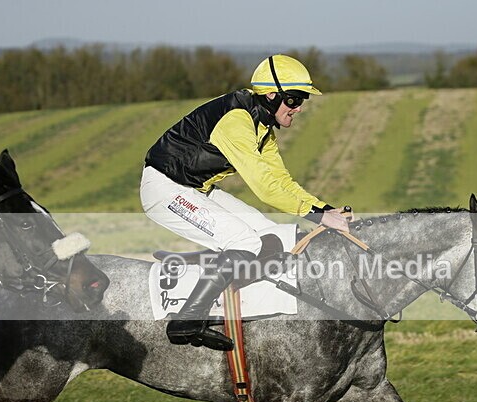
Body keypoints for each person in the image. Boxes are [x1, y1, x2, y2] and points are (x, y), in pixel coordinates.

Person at [140, 54, 349, 351]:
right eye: (294, 99)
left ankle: (245, 302)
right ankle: (188, 319)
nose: (299, 107)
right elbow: (264, 187)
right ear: (272, 95)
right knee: (244, 242)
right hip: (164, 189)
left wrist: (324, 209)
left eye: (302, 100)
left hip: (195, 189)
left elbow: (281, 182)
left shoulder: (262, 127)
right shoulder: (237, 120)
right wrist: (316, 216)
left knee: (271, 233)